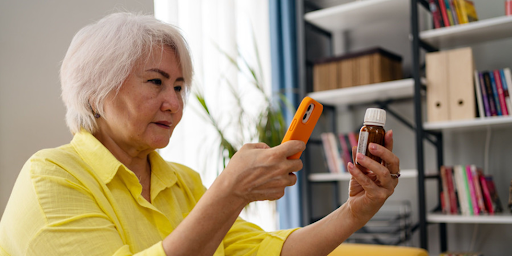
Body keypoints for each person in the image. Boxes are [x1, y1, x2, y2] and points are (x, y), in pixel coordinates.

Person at [0, 13, 400, 256]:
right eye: (155, 82)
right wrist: (229, 191)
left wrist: (356, 211)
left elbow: (268, 251)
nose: (174, 103)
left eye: (178, 87)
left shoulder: (183, 183)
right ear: (97, 91)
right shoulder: (50, 177)